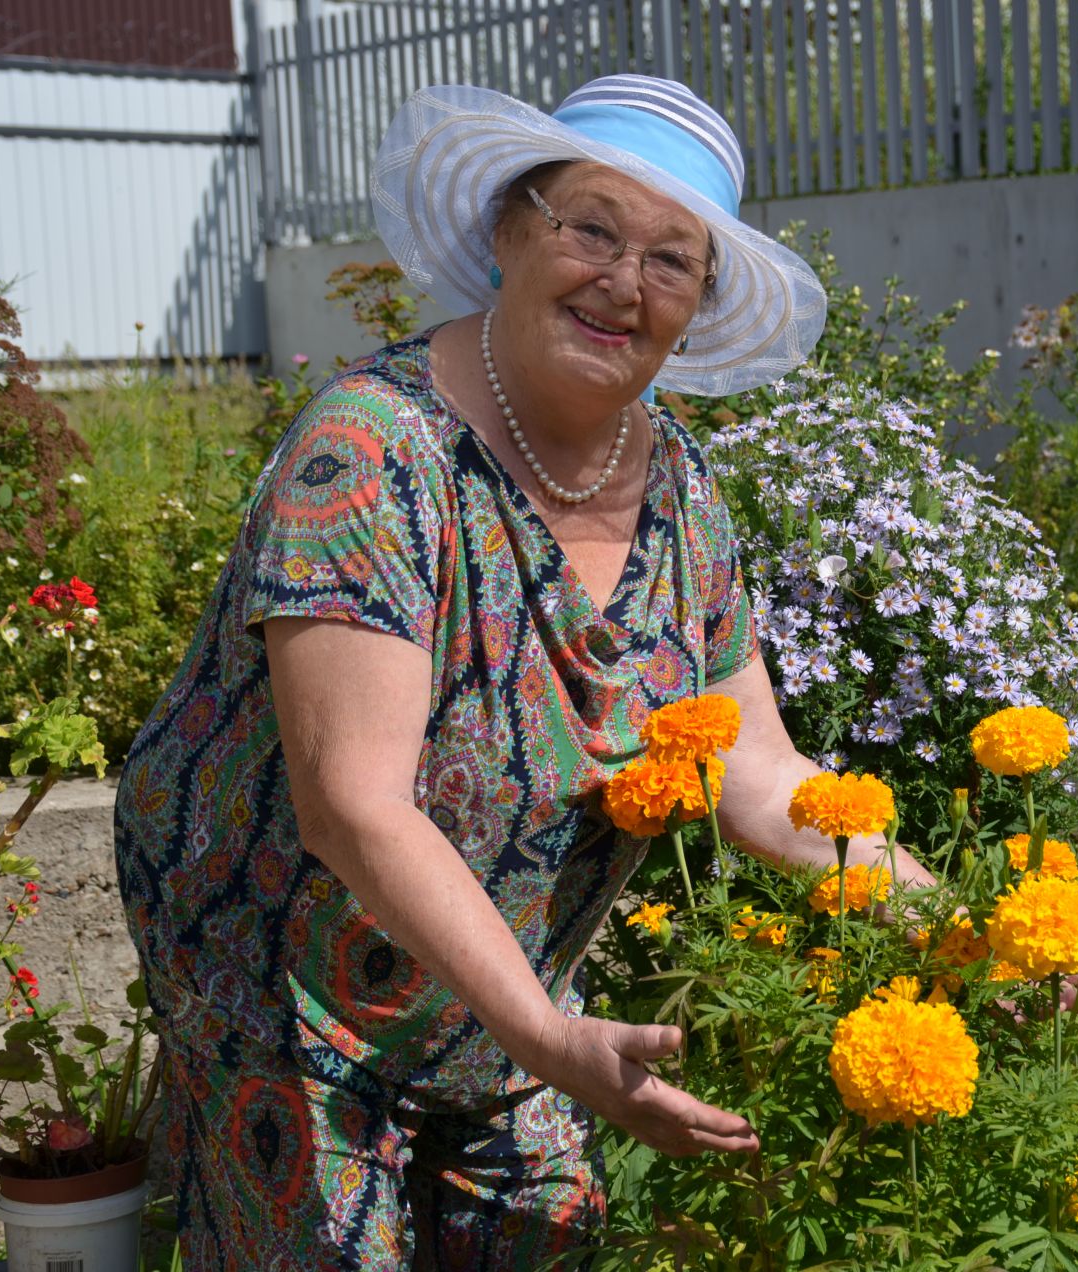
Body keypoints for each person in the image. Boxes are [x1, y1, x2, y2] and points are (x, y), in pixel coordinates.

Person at [113, 74, 940, 1269]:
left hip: (497, 988)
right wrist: (551, 1039)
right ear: (507, 230)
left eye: (671, 260)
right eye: (590, 228)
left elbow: (757, 770)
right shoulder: (374, 453)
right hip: (280, 985)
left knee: (547, 1238)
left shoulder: (683, 491)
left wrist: (963, 922)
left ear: (698, 306)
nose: (622, 282)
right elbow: (353, 806)